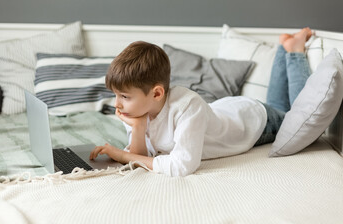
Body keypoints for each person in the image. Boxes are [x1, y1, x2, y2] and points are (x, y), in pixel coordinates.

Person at [89, 27, 313, 177]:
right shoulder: (137, 109)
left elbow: (182, 165)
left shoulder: (187, 106)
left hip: (253, 121)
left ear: (156, 93)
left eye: (124, 97)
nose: (117, 104)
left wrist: (124, 155)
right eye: (117, 95)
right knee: (279, 104)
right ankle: (286, 49)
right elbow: (144, 156)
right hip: (224, 109)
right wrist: (138, 128)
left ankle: (295, 53)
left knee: (294, 114)